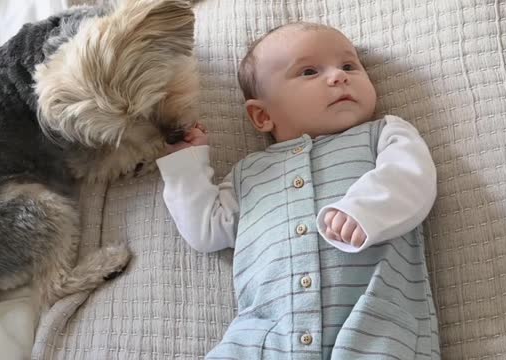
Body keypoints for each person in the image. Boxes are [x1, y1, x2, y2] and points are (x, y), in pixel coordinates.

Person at [157, 22, 440, 359]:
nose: (338, 76)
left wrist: (365, 210)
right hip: (264, 333)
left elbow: (410, 177)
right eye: (309, 71)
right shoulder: (250, 173)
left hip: (371, 323)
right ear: (262, 115)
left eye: (349, 65)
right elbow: (207, 230)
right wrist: (187, 165)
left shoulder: (384, 134)